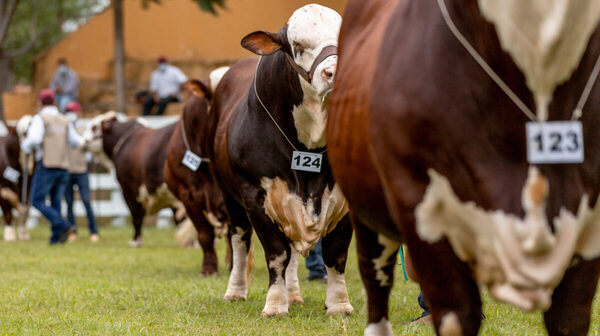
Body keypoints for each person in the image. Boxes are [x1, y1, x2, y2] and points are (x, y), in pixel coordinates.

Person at [21, 89, 84, 245]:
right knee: (56, 201)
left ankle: (63, 225)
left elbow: (34, 139)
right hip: (63, 166)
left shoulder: (40, 118)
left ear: (40, 102)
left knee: (36, 199)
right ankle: (56, 238)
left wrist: (25, 145)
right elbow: (76, 141)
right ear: (55, 102)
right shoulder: (64, 120)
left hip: (47, 164)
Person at [64, 102, 99, 243]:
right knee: (69, 203)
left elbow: (90, 148)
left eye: (74, 111)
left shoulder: (85, 128)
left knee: (86, 201)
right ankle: (72, 231)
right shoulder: (64, 128)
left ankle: (94, 231)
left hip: (81, 170)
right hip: (67, 170)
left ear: (79, 112)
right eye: (69, 111)